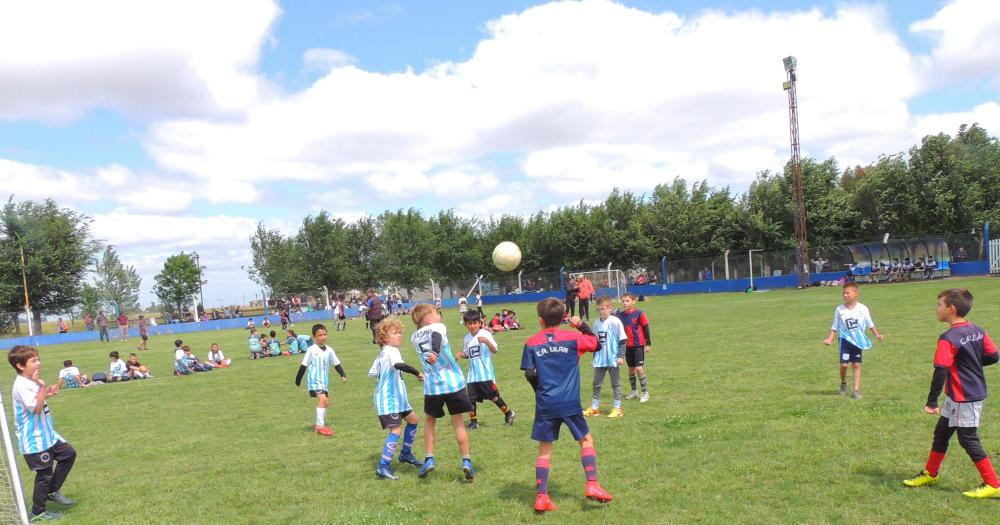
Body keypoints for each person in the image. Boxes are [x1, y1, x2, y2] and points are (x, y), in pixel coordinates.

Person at [903, 288, 1000, 498]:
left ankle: (993, 484)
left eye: (939, 305)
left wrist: (931, 401)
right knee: (942, 432)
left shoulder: (948, 337)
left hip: (966, 396)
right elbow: (993, 356)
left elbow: (941, 370)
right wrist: (971, 364)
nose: (936, 308)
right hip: (957, 396)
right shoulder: (978, 330)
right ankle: (931, 473)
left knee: (968, 439)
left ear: (951, 309)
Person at [521, 298, 613, 513]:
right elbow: (595, 343)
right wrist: (580, 325)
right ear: (563, 317)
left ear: (540, 320)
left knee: (545, 449)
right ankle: (592, 484)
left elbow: (529, 373)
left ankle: (542, 497)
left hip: (546, 404)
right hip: (570, 402)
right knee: (585, 439)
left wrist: (541, 392)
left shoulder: (532, 342)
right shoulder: (573, 337)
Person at [8, 345, 78, 521]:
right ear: (20, 366)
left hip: (47, 434)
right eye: (33, 361)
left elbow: (36, 401)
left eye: (38, 359)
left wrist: (46, 394)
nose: (38, 363)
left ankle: (52, 491)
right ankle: (38, 512)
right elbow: (36, 409)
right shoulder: (22, 385)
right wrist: (42, 388)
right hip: (34, 439)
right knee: (45, 474)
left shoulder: (30, 381)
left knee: (68, 454)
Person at [409, 303, 475, 480]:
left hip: (432, 387)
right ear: (429, 319)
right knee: (458, 422)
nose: (439, 316)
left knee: (430, 422)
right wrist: (436, 352)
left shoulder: (414, 336)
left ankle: (429, 458)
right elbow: (436, 336)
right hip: (453, 383)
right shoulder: (437, 326)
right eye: (437, 313)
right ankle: (466, 460)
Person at [368, 317, 424, 480]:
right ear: (384, 337)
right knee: (396, 429)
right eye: (395, 333)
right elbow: (399, 365)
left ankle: (405, 454)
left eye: (400, 333)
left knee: (413, 420)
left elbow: (372, 373)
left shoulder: (382, 354)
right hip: (388, 399)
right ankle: (383, 467)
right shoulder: (392, 351)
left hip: (398, 398)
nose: (399, 336)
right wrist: (417, 373)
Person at [822, 282, 884, 398]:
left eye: (847, 293)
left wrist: (877, 335)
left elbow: (870, 323)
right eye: (843, 293)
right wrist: (830, 339)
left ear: (855, 294)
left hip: (857, 341)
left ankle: (856, 390)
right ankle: (843, 383)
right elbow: (835, 326)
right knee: (844, 365)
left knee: (856, 365)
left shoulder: (862, 308)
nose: (845, 295)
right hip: (845, 340)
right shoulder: (839, 309)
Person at [457, 311, 515, 430]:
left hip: (485, 374)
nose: (472, 326)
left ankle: (508, 413)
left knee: (493, 397)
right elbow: (468, 354)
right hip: (473, 375)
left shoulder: (486, 334)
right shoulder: (467, 338)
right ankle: (474, 423)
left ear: (480, 323)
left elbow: (494, 350)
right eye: (469, 323)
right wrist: (461, 354)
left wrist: (487, 342)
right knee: (470, 399)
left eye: (474, 323)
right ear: (466, 325)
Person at [294, 324, 348, 437]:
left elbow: (337, 364)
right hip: (315, 381)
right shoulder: (311, 350)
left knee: (326, 403)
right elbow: (303, 365)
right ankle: (320, 427)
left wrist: (342, 375)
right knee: (322, 400)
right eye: (320, 335)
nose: (323, 337)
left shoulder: (329, 350)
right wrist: (298, 380)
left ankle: (320, 424)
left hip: (324, 382)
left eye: (324, 334)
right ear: (314, 337)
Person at [584, 296, 627, 419]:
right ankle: (594, 408)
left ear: (610, 308)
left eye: (603, 309)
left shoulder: (615, 321)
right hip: (600, 359)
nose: (601, 312)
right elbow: (595, 341)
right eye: (598, 310)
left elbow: (623, 340)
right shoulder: (597, 322)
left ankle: (617, 408)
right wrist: (594, 355)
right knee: (596, 384)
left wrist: (620, 356)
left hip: (613, 359)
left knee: (616, 384)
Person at [617, 292, 652, 403]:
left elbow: (646, 328)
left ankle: (645, 392)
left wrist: (648, 343)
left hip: (638, 345)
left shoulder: (639, 314)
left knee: (639, 368)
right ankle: (633, 391)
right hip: (627, 346)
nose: (625, 303)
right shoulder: (620, 316)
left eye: (627, 301)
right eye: (623, 301)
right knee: (631, 369)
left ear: (633, 301)